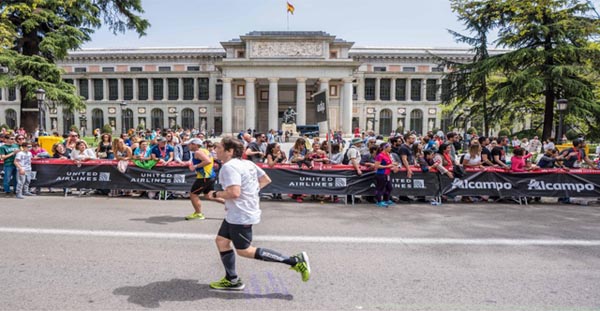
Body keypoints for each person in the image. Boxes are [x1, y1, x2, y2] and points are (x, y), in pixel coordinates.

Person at [205, 137, 310, 290]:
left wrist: (215, 194)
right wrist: (251, 192)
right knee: (221, 241)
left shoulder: (229, 167)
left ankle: (294, 261)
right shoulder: (247, 163)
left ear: (230, 151)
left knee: (245, 250)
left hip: (240, 215)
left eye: (219, 147)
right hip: (237, 212)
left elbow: (234, 193)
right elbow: (266, 179)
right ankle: (232, 279)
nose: (215, 150)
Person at [185, 138, 218, 220]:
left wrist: (195, 166)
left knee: (193, 194)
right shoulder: (204, 150)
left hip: (204, 177)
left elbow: (207, 161)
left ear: (195, 145)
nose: (188, 146)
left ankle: (198, 213)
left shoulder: (198, 152)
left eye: (190, 144)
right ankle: (231, 205)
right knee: (209, 195)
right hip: (210, 176)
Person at [373, 143, 398, 207]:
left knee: (389, 188)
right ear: (385, 148)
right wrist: (387, 166)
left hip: (387, 174)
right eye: (389, 147)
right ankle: (379, 202)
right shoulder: (380, 155)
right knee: (380, 189)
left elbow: (390, 163)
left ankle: (386, 200)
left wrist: (394, 165)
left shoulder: (388, 154)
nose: (391, 148)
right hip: (381, 174)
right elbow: (376, 166)